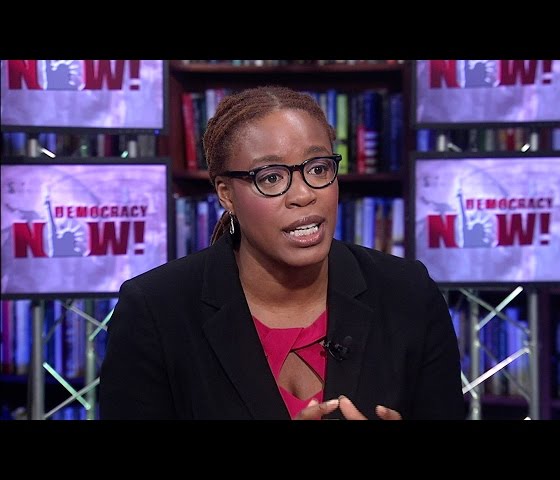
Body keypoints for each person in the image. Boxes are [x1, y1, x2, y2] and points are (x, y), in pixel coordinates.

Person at [99, 85, 465, 420]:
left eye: (318, 169)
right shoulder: (156, 310)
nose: (304, 194)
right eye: (271, 177)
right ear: (226, 194)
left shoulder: (408, 293)